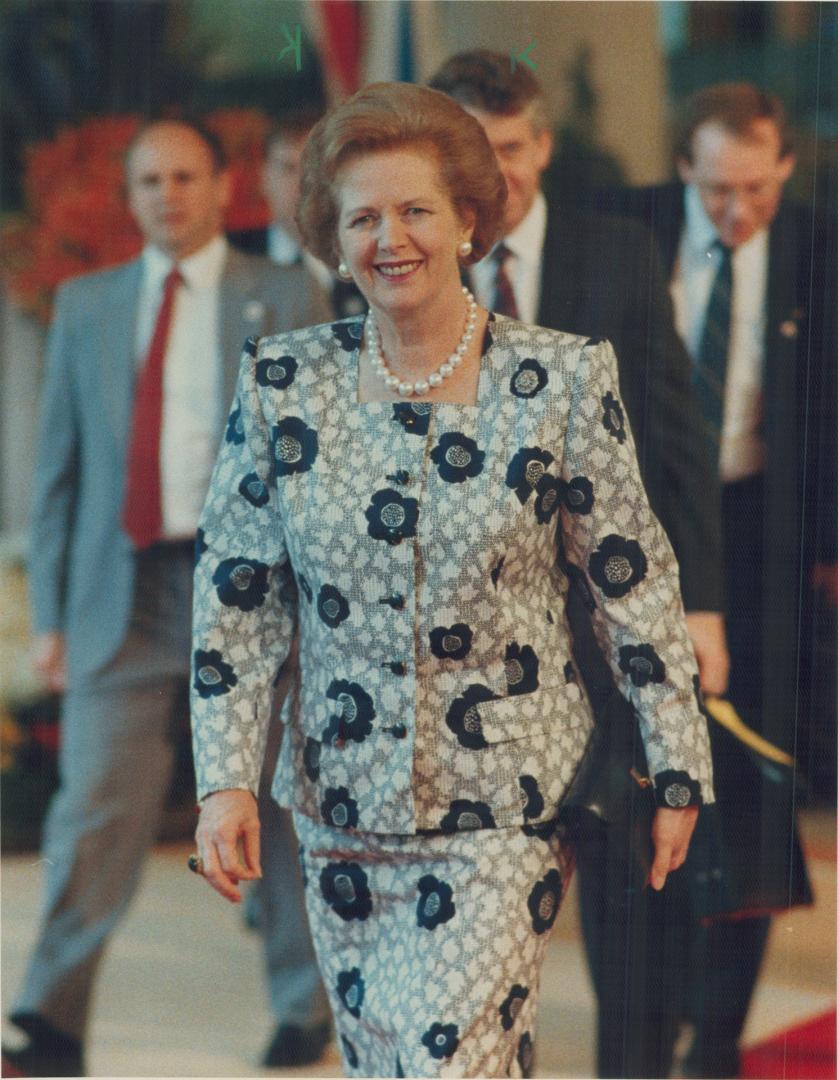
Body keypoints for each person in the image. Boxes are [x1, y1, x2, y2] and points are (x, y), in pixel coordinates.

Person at [188, 81, 714, 1080]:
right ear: (333, 238)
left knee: (448, 1059)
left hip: (503, 807)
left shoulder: (558, 378)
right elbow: (238, 601)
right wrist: (223, 783)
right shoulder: (283, 381)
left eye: (415, 209)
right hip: (340, 809)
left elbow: (630, 581)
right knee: (396, 1060)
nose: (390, 237)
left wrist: (678, 763)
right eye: (363, 216)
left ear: (469, 218)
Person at [2, 118, 330, 1079]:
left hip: (247, 592)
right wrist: (54, 616)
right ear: (128, 194)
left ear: (224, 186)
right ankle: (48, 1021)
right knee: (93, 812)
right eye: (149, 179)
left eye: (185, 176)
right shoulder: (87, 306)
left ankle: (302, 1009)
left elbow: (317, 469)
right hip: (125, 596)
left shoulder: (283, 294)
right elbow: (59, 473)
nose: (167, 194)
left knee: (274, 808)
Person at [427, 51, 729, 1077]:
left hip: (605, 634)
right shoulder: (415, 268)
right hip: (472, 655)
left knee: (629, 898)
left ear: (542, 144)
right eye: (471, 151)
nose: (495, 174)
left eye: (509, 149)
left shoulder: (619, 253)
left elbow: (673, 440)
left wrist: (704, 611)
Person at [590, 82, 837, 1078]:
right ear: (683, 169)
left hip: (766, 546)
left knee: (750, 788)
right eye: (719, 188)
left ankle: (718, 1040)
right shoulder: (625, 236)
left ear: (782, 167)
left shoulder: (819, 251)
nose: (739, 210)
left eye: (757, 188)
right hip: (633, 537)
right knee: (637, 780)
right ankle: (640, 1026)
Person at [229, 109, 365, 320]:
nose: (302, 183)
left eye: (313, 168)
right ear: (263, 177)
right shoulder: (230, 255)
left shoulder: (364, 255)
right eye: (287, 168)